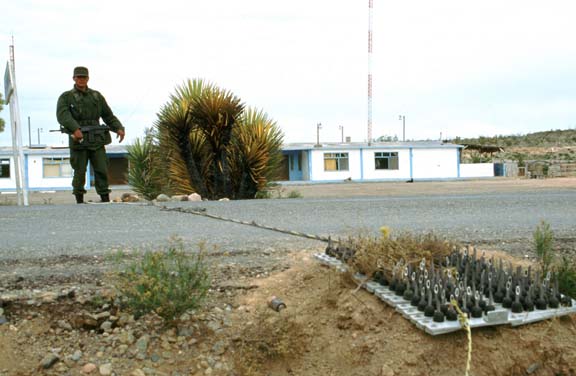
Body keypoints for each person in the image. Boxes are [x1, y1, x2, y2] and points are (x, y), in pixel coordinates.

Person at [56, 66, 125, 204]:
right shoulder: (66, 97)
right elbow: (63, 115)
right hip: (79, 140)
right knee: (80, 171)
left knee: (101, 169)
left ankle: (105, 198)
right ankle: (79, 200)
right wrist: (75, 129)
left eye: (84, 77)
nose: (81, 80)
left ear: (88, 78)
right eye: (78, 77)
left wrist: (118, 127)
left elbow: (107, 115)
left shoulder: (96, 96)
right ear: (74, 78)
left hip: (97, 139)